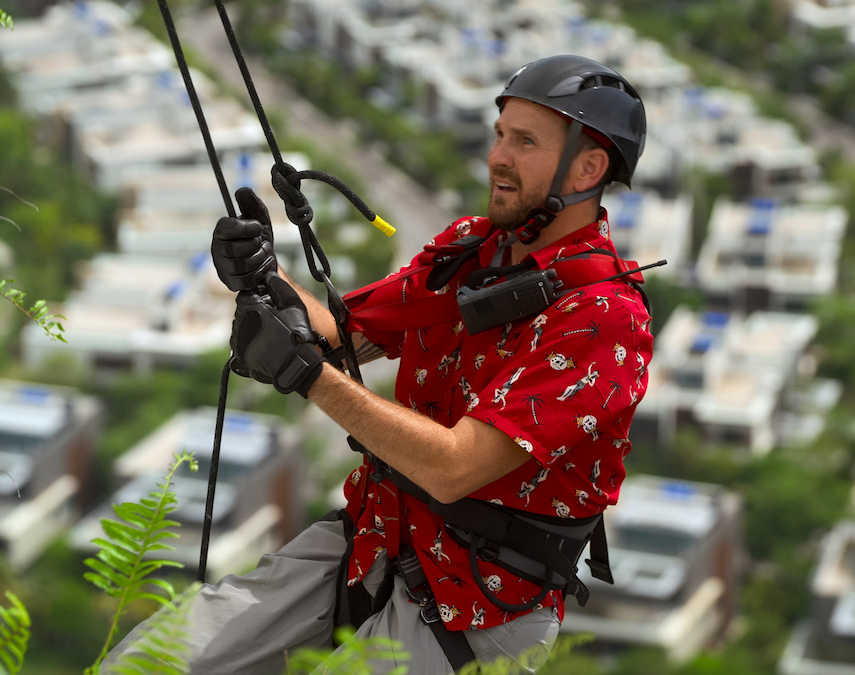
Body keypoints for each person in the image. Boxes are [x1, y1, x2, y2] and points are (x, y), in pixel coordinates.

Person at [104, 54, 654, 675]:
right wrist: (266, 276)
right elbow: (346, 335)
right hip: (376, 533)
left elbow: (454, 467)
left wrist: (309, 376)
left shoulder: (606, 319)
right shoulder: (473, 249)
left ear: (588, 166)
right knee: (148, 664)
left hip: (481, 600)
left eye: (524, 141)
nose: (498, 155)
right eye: (500, 134)